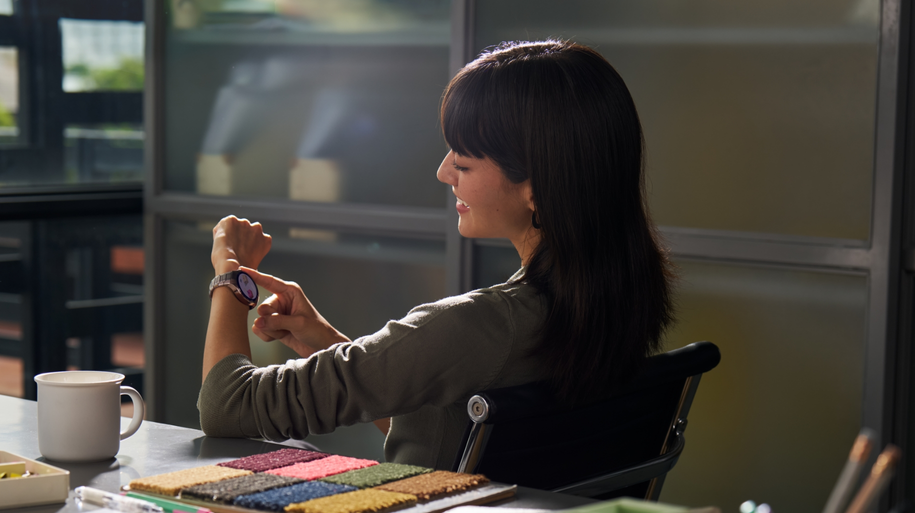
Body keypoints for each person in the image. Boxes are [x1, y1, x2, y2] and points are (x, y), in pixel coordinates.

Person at [198, 40, 674, 470]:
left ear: (536, 186)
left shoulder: (474, 327)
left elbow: (228, 407)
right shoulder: (616, 302)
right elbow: (450, 435)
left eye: (463, 162)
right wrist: (325, 342)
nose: (444, 172)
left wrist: (232, 277)